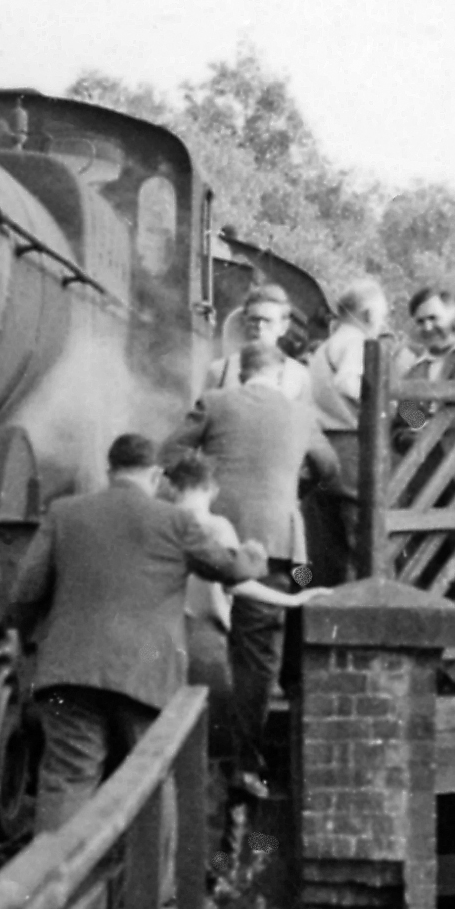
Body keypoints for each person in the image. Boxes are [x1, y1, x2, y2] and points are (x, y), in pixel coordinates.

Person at [12, 434, 267, 834]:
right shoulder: (176, 522)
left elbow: (26, 590)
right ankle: (156, 894)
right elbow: (231, 570)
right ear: (154, 476)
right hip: (144, 674)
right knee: (150, 780)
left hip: (69, 671)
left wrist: (25, 641)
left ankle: (54, 886)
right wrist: (255, 554)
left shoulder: (64, 513)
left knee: (68, 777)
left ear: (109, 470)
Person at [163, 341, 345, 799]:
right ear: (282, 374)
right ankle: (245, 764)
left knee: (204, 638)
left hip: (210, 537)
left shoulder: (214, 402)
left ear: (240, 372)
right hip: (277, 544)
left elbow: (169, 454)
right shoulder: (300, 413)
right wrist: (291, 489)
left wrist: (207, 487)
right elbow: (330, 467)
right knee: (258, 654)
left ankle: (194, 754)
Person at [164, 455, 329, 751]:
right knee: (206, 738)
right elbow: (242, 581)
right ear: (213, 489)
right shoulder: (219, 526)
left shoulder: (158, 521)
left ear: (171, 487)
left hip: (160, 643)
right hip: (206, 640)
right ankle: (243, 774)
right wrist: (294, 596)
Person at [305, 278, 388, 584]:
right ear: (368, 315)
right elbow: (347, 382)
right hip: (351, 448)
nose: (382, 323)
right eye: (382, 316)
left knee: (329, 541)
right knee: (362, 535)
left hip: (321, 447)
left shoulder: (323, 349)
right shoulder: (356, 343)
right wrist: (381, 407)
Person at [205, 283, 312, 400]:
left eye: (267, 321)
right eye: (254, 320)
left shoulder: (299, 376)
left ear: (283, 327)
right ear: (245, 322)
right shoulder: (220, 371)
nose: (260, 326)